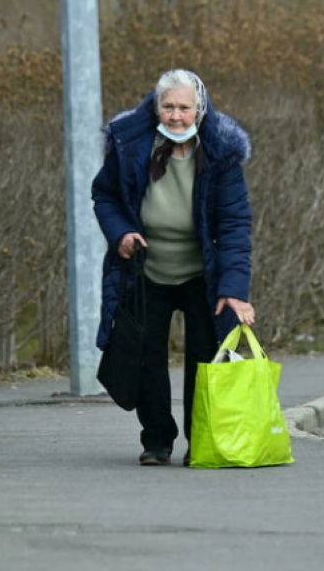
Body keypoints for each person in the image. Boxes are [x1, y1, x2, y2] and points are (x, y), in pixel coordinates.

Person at [92, 69, 255, 467]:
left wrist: (234, 290)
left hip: (204, 274)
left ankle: (200, 439)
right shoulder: (131, 145)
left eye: (184, 107)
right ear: (155, 107)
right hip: (147, 270)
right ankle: (157, 441)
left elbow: (235, 224)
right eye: (168, 107)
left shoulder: (220, 152)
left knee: (205, 359)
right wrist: (122, 234)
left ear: (199, 109)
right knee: (147, 358)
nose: (176, 115)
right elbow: (106, 195)